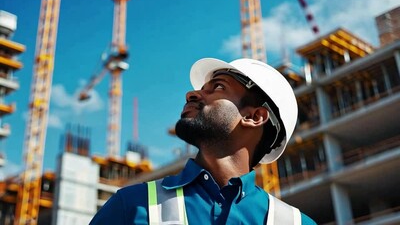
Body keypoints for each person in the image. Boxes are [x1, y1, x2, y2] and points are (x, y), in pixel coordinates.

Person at [89, 58, 317, 225]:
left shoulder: (295, 223)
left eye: (218, 87)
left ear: (254, 117)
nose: (192, 94)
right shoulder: (130, 205)